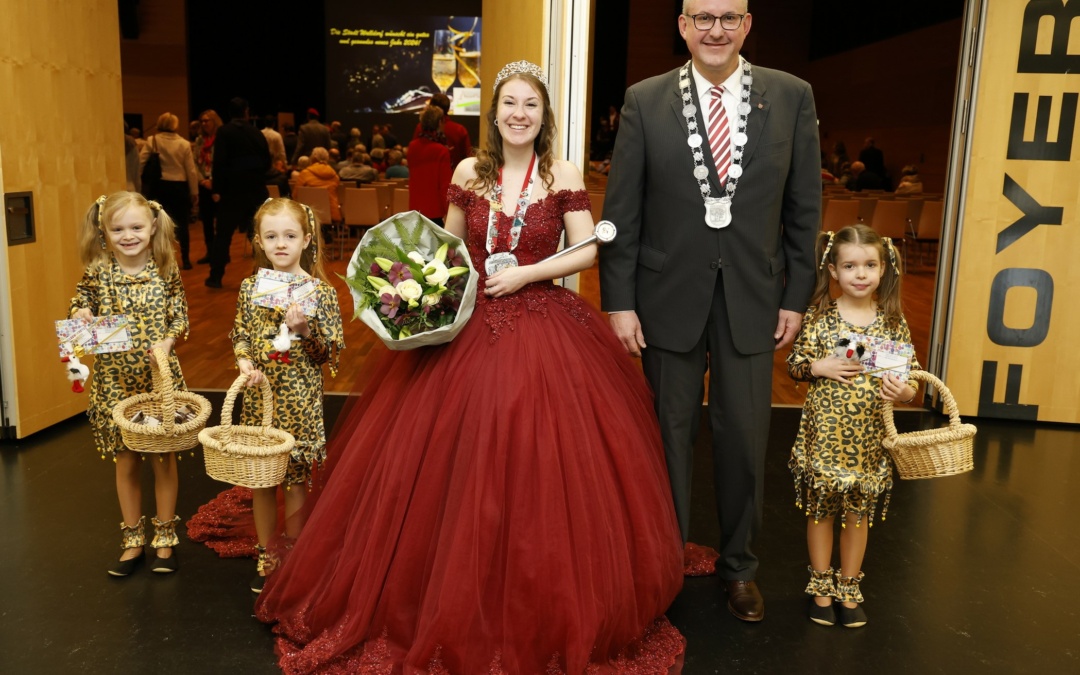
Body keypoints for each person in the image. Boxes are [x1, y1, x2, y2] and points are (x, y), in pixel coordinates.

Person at [253, 60, 685, 674]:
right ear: (494, 114)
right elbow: (447, 247)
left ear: (543, 115)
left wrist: (528, 274)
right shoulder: (468, 173)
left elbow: (588, 248)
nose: (519, 114)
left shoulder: (561, 173)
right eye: (509, 103)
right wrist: (417, 288)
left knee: (540, 454)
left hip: (543, 319)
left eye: (530, 105)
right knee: (443, 458)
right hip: (470, 318)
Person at [599, 0, 821, 623]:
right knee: (666, 437)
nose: (715, 30)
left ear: (747, 25)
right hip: (664, 297)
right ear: (683, 27)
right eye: (703, 18)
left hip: (754, 296)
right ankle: (662, 566)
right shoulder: (645, 101)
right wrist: (619, 301)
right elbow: (622, 211)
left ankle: (740, 567)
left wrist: (796, 296)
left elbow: (805, 207)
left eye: (728, 18)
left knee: (744, 439)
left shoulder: (791, 96)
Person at [787, 224, 920, 628]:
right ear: (833, 270)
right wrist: (818, 366)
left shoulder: (892, 322)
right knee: (822, 511)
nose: (860, 274)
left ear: (883, 268)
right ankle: (821, 589)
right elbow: (795, 364)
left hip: (868, 439)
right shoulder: (820, 318)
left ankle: (848, 588)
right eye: (850, 266)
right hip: (825, 436)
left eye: (869, 265)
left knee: (858, 515)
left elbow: (912, 378)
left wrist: (904, 392)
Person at [69, 192, 190, 576]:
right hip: (115, 383)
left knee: (162, 458)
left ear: (152, 227)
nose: (128, 236)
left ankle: (165, 537)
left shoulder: (165, 267)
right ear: (104, 231)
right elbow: (79, 303)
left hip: (158, 382)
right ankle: (132, 539)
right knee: (125, 458)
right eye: (118, 229)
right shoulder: (99, 271)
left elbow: (180, 316)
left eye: (136, 227)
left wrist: (168, 342)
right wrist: (80, 312)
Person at [230, 198, 343, 593]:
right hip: (261, 399)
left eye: (290, 236)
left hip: (300, 400)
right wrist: (244, 362)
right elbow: (240, 334)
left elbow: (328, 355)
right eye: (272, 236)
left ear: (306, 240)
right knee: (263, 480)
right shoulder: (250, 288)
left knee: (294, 480)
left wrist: (305, 330)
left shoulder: (320, 293)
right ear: (259, 241)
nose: (281, 244)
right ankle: (267, 553)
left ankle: (292, 555)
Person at [206, 97, 270, 288]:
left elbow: (219, 163)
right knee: (258, 236)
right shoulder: (257, 133)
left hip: (231, 192)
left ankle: (215, 276)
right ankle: (261, 275)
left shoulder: (224, 132)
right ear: (246, 112)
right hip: (256, 191)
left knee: (223, 236)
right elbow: (267, 162)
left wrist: (217, 189)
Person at [140, 112, 199, 269]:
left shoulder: (153, 140)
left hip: (159, 187)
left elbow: (141, 162)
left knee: (159, 225)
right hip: (180, 187)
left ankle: (162, 259)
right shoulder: (184, 144)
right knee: (182, 224)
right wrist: (194, 192)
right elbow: (191, 170)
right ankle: (185, 259)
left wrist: (139, 184)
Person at [406, 105, 451, 225]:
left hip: (415, 208)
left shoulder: (412, 147)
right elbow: (444, 186)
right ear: (439, 122)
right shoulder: (441, 151)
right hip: (435, 212)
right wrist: (449, 212)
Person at [414, 92, 473, 169]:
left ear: (431, 107)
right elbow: (468, 158)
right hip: (454, 174)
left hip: (425, 172)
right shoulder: (460, 130)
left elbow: (415, 154)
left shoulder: (420, 128)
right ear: (448, 108)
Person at [193, 109, 222, 265]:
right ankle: (210, 252)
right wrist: (202, 180)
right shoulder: (199, 140)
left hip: (218, 184)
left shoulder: (222, 139)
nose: (204, 124)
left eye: (207, 120)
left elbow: (224, 162)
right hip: (204, 183)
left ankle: (221, 252)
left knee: (221, 221)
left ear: (214, 121)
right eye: (202, 121)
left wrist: (213, 180)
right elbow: (194, 162)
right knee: (207, 221)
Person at [294, 147, 342, 222]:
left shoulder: (305, 174)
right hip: (331, 215)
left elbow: (295, 196)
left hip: (308, 215)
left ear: (313, 158)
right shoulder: (335, 176)